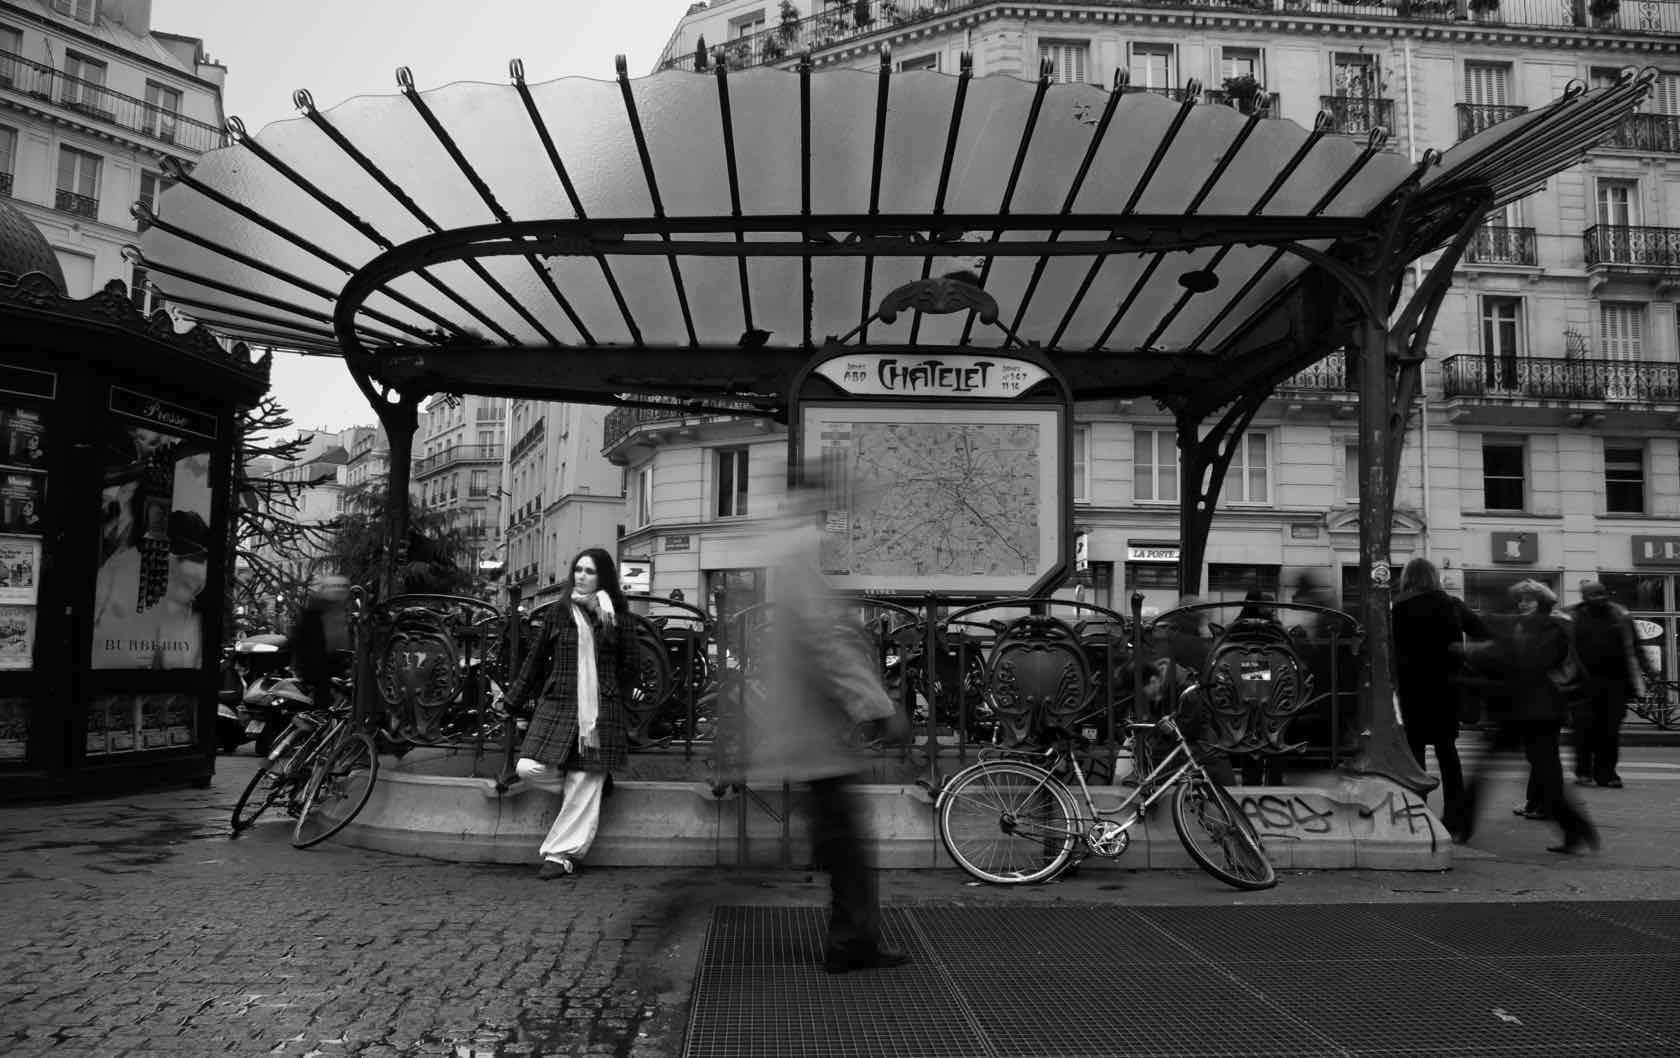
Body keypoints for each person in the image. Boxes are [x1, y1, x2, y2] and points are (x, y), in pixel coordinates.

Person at [738, 486, 910, 974]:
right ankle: (851, 943)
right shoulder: (801, 567)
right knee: (847, 845)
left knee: (839, 843)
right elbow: (830, 645)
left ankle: (850, 940)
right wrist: (877, 707)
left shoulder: (789, 566)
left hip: (808, 735)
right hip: (818, 738)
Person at [500, 548, 639, 879]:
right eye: (578, 569)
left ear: (602, 577)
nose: (581, 576)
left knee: (581, 778)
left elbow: (632, 666)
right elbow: (534, 661)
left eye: (590, 571)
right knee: (527, 767)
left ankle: (560, 854)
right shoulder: (559, 613)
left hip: (599, 711)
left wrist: (608, 693)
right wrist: (512, 701)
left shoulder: (618, 615)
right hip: (558, 704)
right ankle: (597, 781)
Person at [1459, 579, 1598, 855]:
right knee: (1536, 773)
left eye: (1528, 599)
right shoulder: (1523, 626)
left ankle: (1461, 825)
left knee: (1533, 773)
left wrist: (1479, 656)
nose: (1522, 604)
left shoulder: (1550, 626)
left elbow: (1527, 664)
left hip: (1534, 710)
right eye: (1520, 600)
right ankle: (1576, 829)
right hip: (1524, 709)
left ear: (1543, 602)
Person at [1391, 557, 1488, 838]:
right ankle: (1455, 815)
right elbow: (1482, 632)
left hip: (1412, 689)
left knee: (1416, 753)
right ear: (1434, 577)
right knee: (1448, 753)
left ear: (1407, 578)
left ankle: (1419, 814)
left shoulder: (1398, 608)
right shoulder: (1451, 604)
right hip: (1446, 687)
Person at [1567, 580, 1646, 789]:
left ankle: (1607, 773)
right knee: (1583, 730)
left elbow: (1635, 646)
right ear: (1584, 597)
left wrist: (1646, 670)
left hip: (1615, 684)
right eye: (1593, 595)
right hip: (1580, 685)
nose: (1599, 598)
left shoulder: (1620, 615)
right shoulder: (1571, 617)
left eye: (1602, 593)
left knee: (1610, 731)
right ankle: (1583, 771)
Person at [290, 574, 353, 713]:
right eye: (336, 587)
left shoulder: (346, 611)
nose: (339, 591)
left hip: (341, 668)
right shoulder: (314, 614)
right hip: (321, 672)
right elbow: (302, 643)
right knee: (322, 710)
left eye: (343, 588)